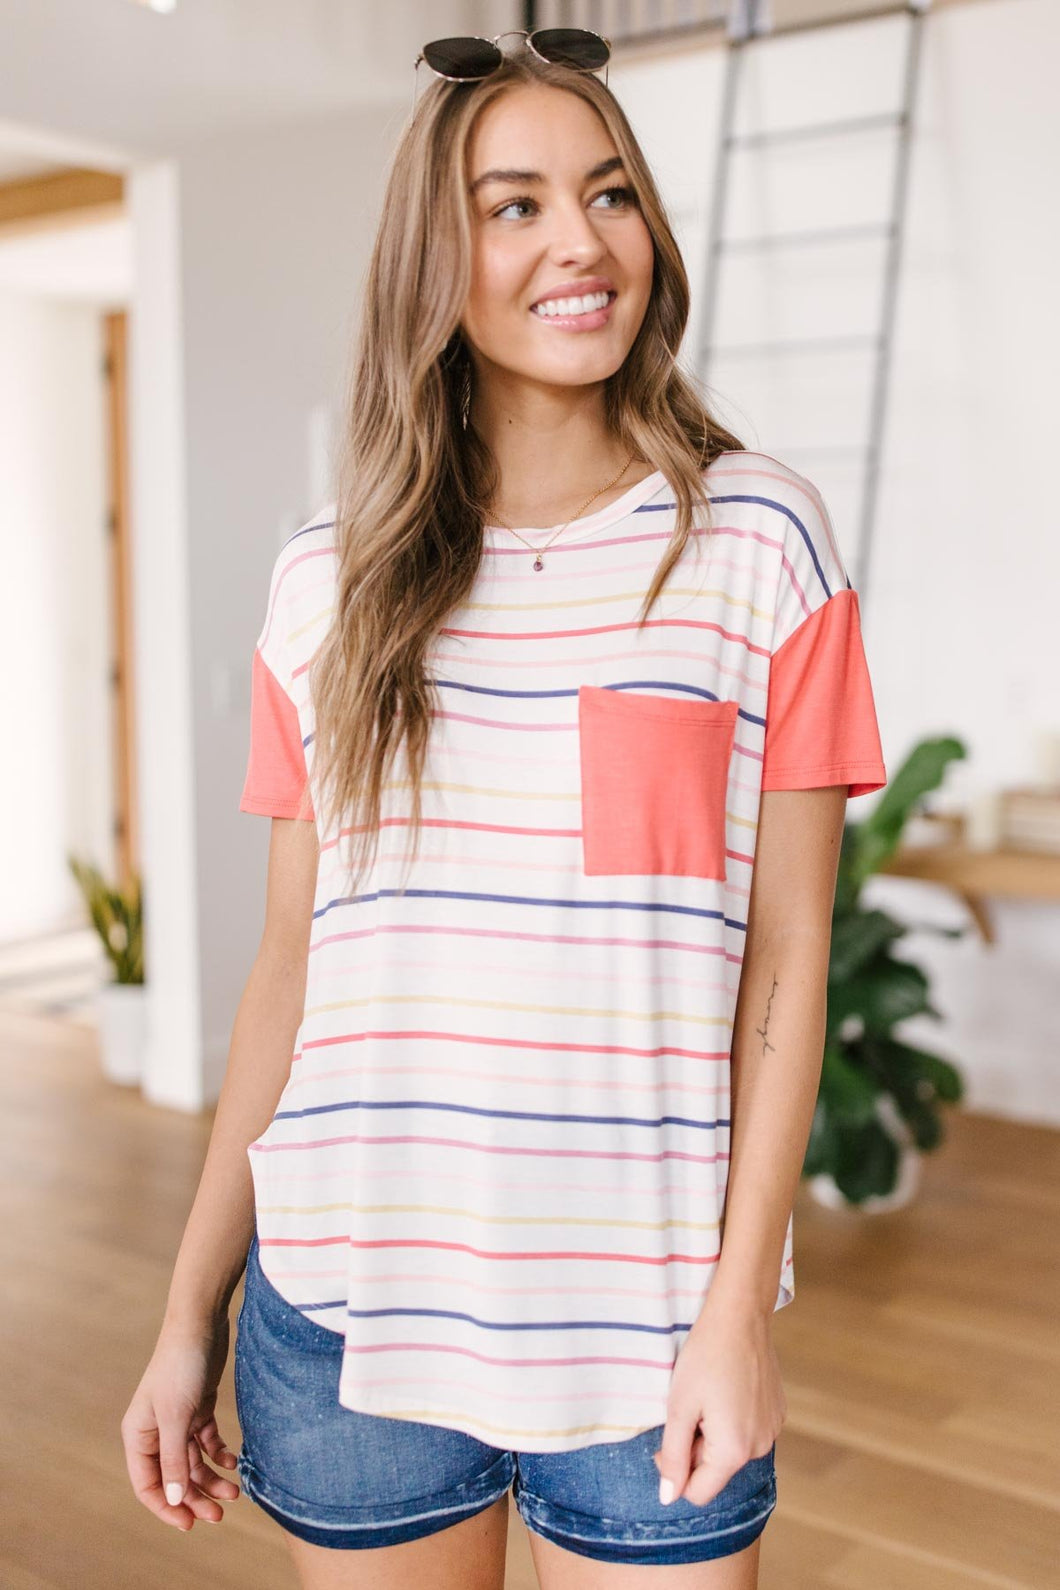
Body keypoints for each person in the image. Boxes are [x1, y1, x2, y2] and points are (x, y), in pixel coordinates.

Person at [121, 28, 887, 1589]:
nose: (582, 241)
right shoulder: (322, 586)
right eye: (515, 204)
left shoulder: (760, 543)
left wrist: (739, 1312)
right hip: (348, 1326)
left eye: (609, 193)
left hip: (651, 1340)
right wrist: (185, 1312)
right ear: (435, 257)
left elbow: (789, 960)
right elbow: (289, 974)